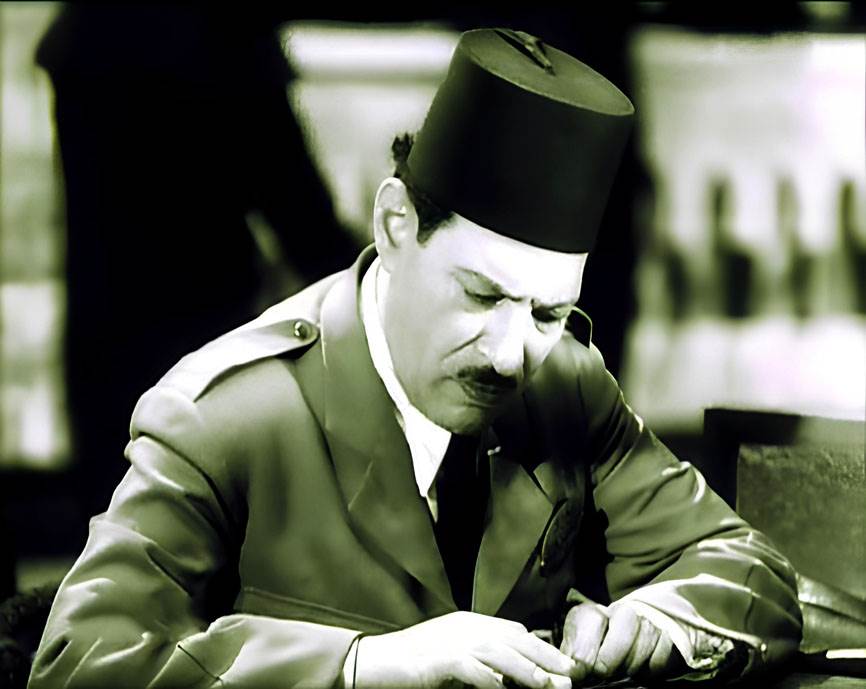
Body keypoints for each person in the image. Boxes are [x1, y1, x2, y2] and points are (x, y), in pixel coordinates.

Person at [29, 28, 801, 688]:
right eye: (480, 295)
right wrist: (360, 664)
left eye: (547, 312)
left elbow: (749, 568)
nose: (510, 356)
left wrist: (657, 620)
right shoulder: (224, 416)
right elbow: (78, 659)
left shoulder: (565, 384)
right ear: (396, 226)